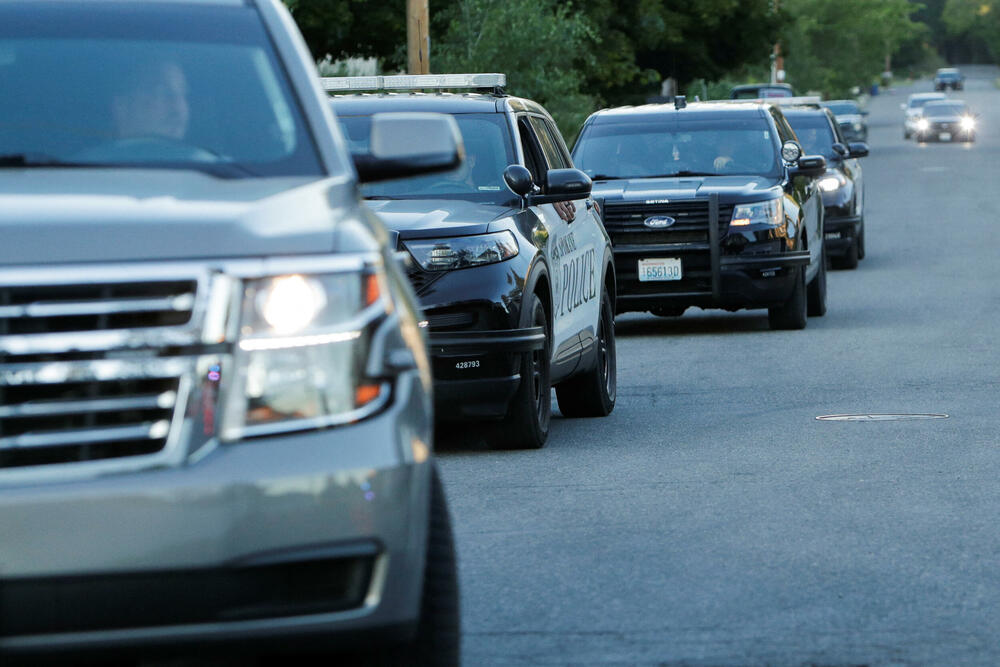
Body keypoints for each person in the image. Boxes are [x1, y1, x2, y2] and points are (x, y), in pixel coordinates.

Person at [111, 59, 190, 141]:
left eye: (183, 94)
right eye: (163, 92)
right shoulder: (99, 154)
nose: (179, 107)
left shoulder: (200, 153)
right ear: (122, 106)